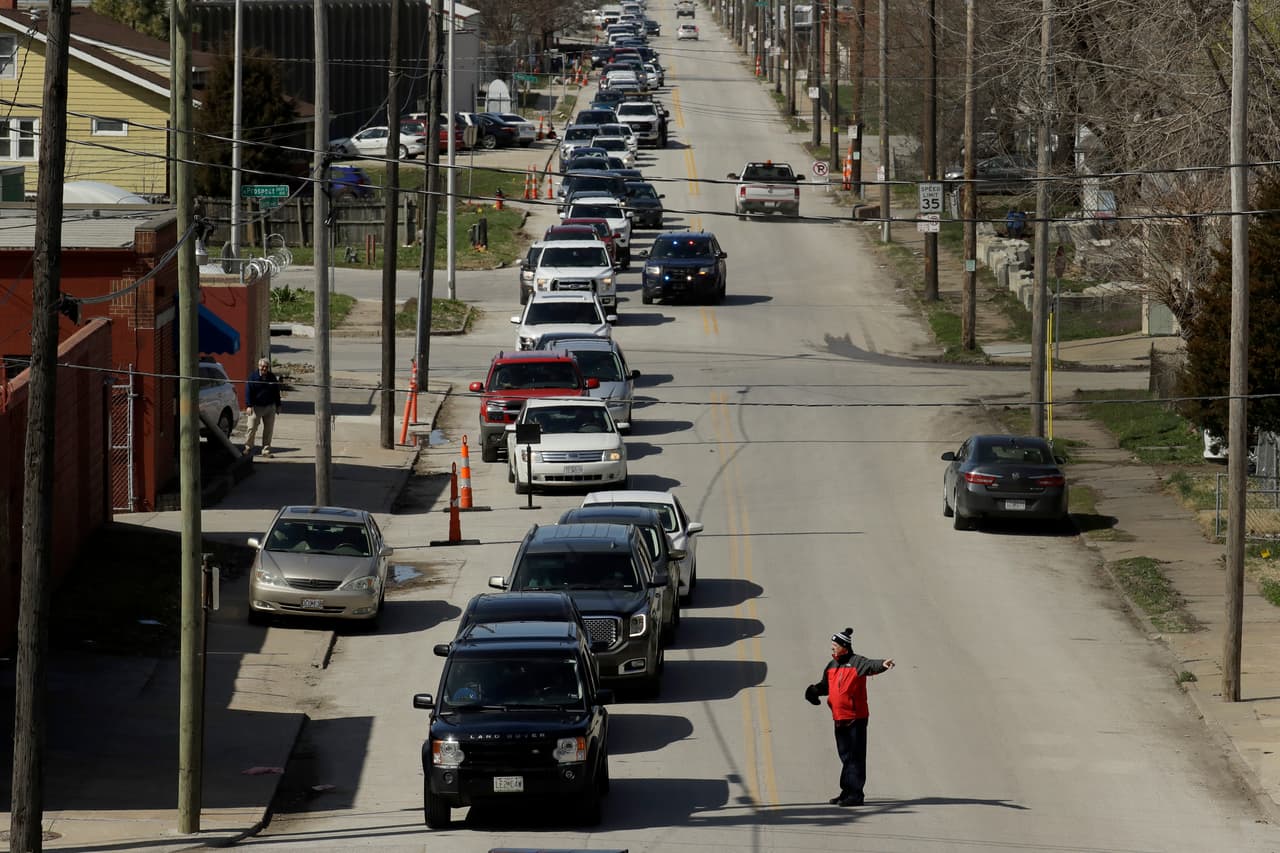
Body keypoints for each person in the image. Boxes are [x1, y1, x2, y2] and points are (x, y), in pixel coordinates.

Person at [804, 627, 895, 806]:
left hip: (856, 717)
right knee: (846, 756)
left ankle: (856, 795)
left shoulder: (857, 662)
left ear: (844, 647)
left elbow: (871, 665)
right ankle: (846, 791)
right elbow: (825, 685)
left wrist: (883, 664)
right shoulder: (831, 665)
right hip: (839, 718)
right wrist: (814, 691)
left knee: (856, 756)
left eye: (834, 645)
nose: (832, 648)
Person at [244, 357, 283, 457]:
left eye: (266, 367)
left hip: (270, 407)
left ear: (268, 367)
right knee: (251, 428)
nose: (264, 369)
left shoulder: (272, 377)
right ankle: (248, 448)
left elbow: (276, 392)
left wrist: (278, 405)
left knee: (268, 430)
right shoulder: (252, 377)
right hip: (256, 407)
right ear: (258, 366)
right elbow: (248, 392)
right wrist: (249, 405)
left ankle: (266, 450)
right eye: (262, 367)